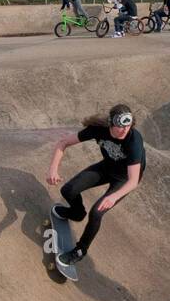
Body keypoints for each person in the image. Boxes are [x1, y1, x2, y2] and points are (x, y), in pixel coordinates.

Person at [46, 104, 146, 279]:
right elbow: (63, 143)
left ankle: (80, 251)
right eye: (120, 126)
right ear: (110, 124)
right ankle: (76, 213)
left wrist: (114, 197)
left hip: (123, 180)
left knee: (97, 213)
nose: (124, 130)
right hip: (106, 168)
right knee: (68, 190)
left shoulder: (134, 140)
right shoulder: (98, 129)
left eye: (128, 126)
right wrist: (53, 169)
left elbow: (133, 181)